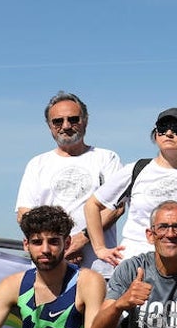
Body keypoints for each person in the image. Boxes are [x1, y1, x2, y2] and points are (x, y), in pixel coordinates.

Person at [84, 108, 177, 268]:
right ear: (155, 135)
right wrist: (99, 248)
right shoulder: (136, 169)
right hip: (137, 263)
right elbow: (92, 205)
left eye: (176, 129)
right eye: (162, 128)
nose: (169, 133)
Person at [16, 91, 122, 271]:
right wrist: (60, 247)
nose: (66, 126)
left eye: (73, 119)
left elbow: (116, 208)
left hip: (99, 269)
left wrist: (80, 240)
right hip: (50, 271)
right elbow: (24, 214)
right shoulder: (37, 164)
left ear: (85, 121)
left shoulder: (107, 158)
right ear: (49, 125)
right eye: (58, 121)